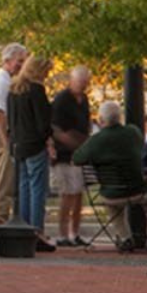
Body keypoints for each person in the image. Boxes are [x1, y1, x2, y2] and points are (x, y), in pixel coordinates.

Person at [72, 100, 147, 249]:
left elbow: (77, 158)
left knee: (114, 208)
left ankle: (125, 237)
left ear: (101, 120)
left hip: (111, 194)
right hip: (138, 191)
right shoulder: (133, 132)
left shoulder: (96, 140)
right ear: (120, 117)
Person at [8, 55, 56, 252]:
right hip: (35, 145)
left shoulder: (13, 90)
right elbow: (42, 123)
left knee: (24, 188)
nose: (47, 76)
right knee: (37, 189)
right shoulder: (36, 90)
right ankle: (37, 231)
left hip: (19, 145)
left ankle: (24, 229)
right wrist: (49, 140)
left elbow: (11, 120)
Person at [49, 66, 92, 247]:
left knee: (78, 194)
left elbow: (87, 122)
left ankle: (75, 232)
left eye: (85, 82)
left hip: (79, 152)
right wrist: (65, 141)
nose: (83, 86)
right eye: (80, 82)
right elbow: (54, 126)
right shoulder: (62, 99)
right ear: (72, 81)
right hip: (64, 153)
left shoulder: (84, 100)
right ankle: (63, 233)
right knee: (67, 194)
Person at [0, 44, 28, 226]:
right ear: (8, 61)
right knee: (2, 184)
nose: (22, 65)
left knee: (5, 183)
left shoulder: (5, 81)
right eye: (19, 61)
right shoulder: (1, 82)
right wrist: (6, 141)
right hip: (0, 134)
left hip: (1, 133)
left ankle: (0, 223)